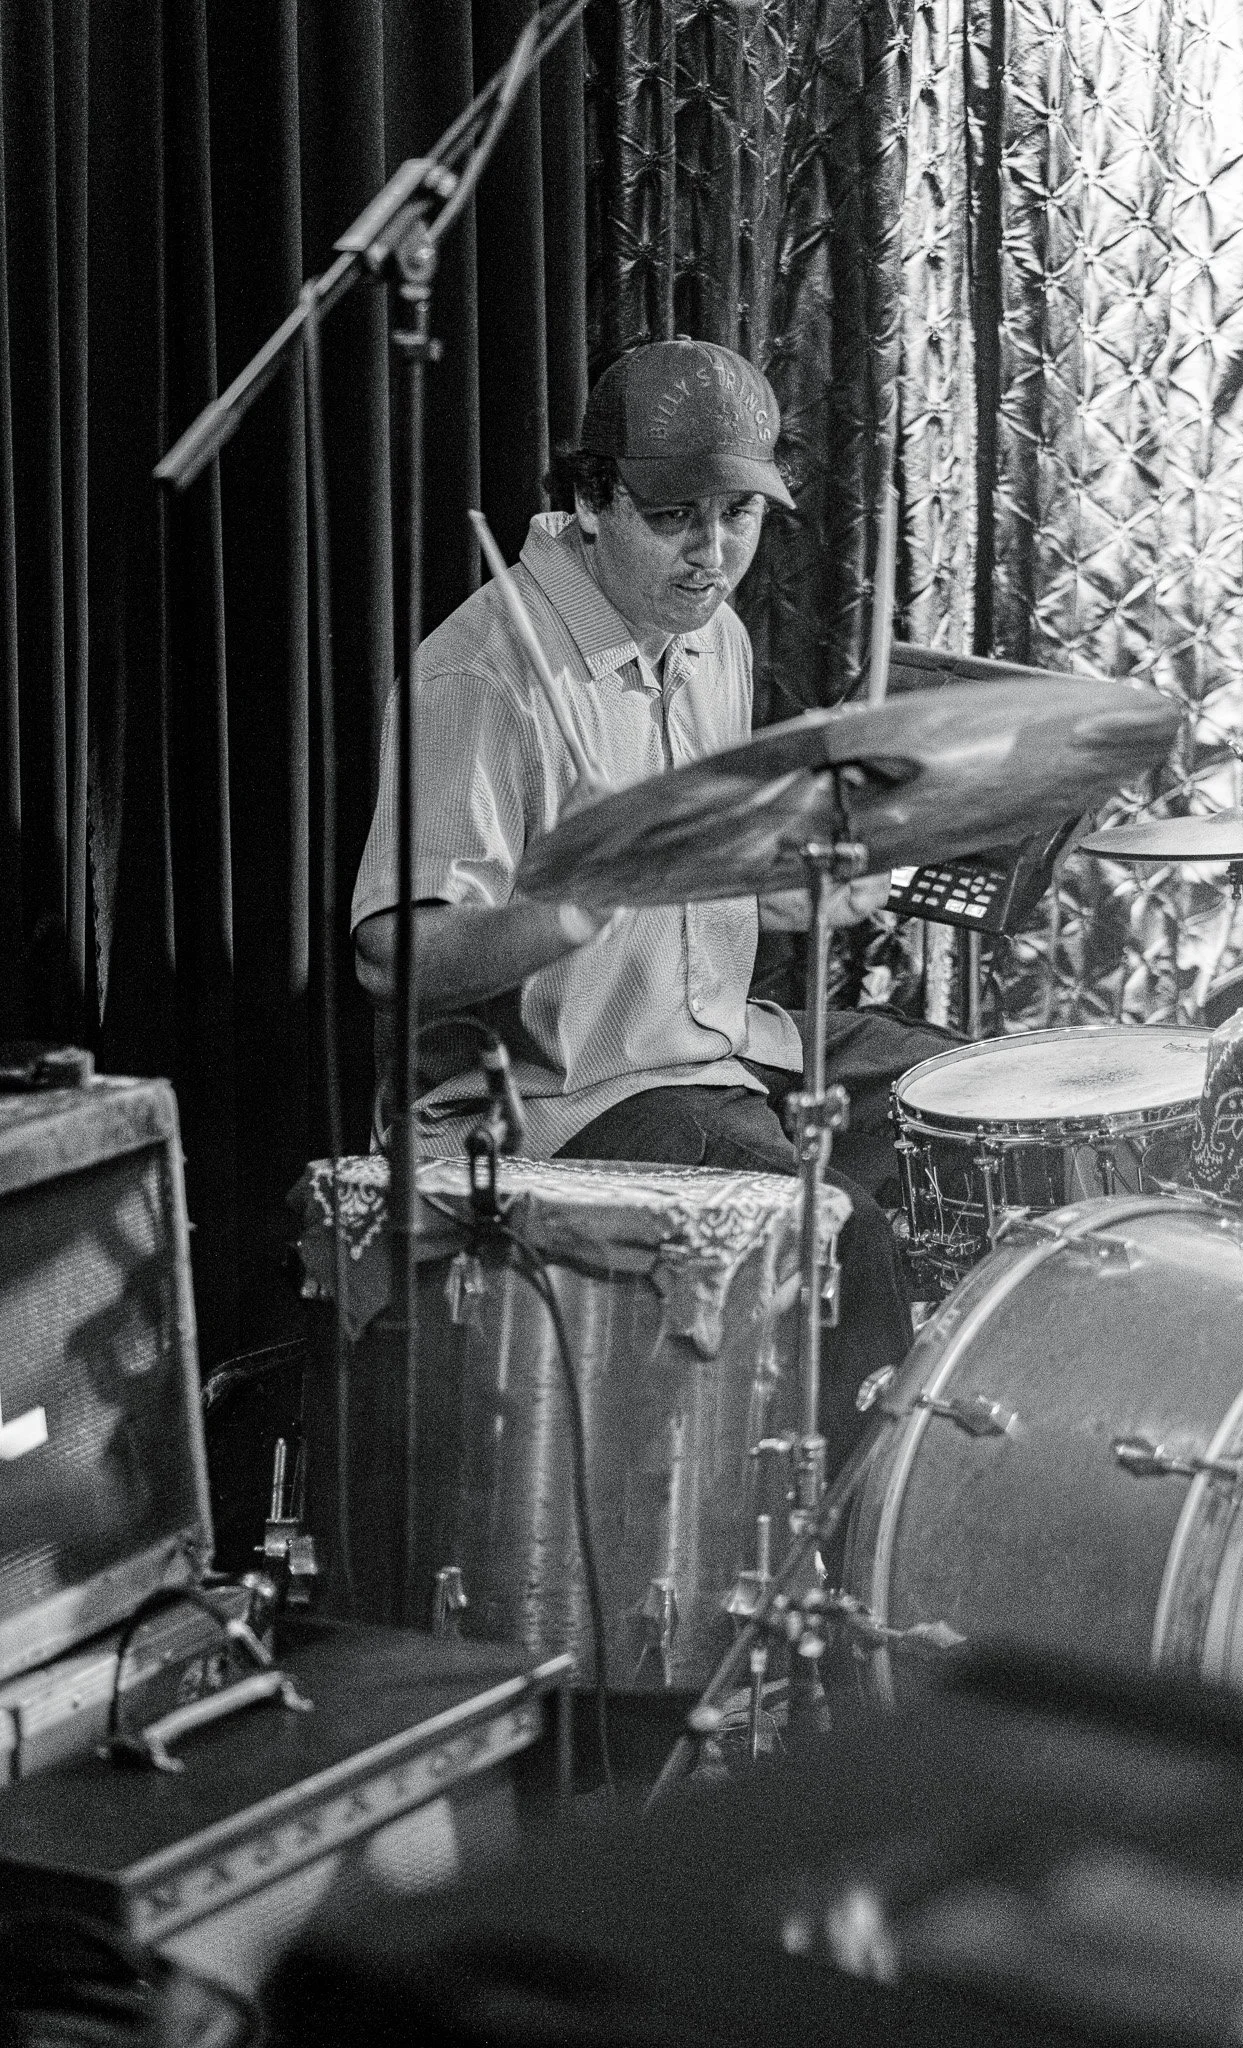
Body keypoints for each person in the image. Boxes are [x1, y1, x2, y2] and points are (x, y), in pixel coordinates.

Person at [352, 338, 953, 1472]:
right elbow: (389, 955)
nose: (712, 552)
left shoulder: (708, 634)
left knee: (954, 1105)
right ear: (591, 499)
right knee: (845, 1236)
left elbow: (701, 874)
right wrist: (568, 913)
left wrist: (802, 885)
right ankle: (833, 1576)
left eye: (739, 512)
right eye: (676, 514)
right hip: (562, 1104)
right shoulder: (483, 677)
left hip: (715, 1049)